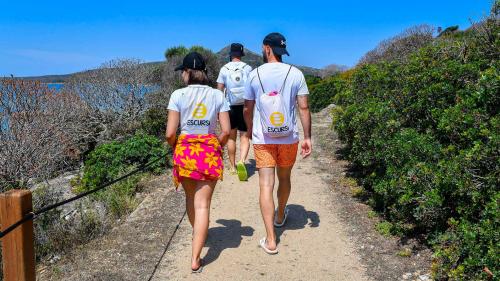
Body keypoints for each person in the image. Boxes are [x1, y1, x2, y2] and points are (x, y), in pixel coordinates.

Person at [243, 33, 312, 254]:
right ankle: (281, 214)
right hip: (289, 138)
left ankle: (271, 240)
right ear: (282, 50)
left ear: (266, 48)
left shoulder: (254, 75)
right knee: (284, 178)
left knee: (265, 185)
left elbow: (247, 108)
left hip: (263, 138)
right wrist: (308, 137)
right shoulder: (296, 74)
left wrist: (248, 130)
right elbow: (303, 107)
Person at [166, 52, 231, 272]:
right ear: (204, 72)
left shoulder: (177, 95)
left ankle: (198, 232)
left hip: (184, 151)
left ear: (186, 72)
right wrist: (217, 146)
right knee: (203, 204)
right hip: (209, 150)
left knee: (190, 197)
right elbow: (227, 131)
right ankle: (196, 258)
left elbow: (169, 133)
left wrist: (176, 146)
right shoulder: (217, 96)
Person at [217, 43, 253, 181]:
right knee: (244, 136)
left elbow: (219, 90)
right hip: (245, 107)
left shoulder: (224, 69)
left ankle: (232, 167)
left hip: (229, 107)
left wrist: (218, 110)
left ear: (231, 54)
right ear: (242, 54)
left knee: (231, 138)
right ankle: (242, 161)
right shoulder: (248, 68)